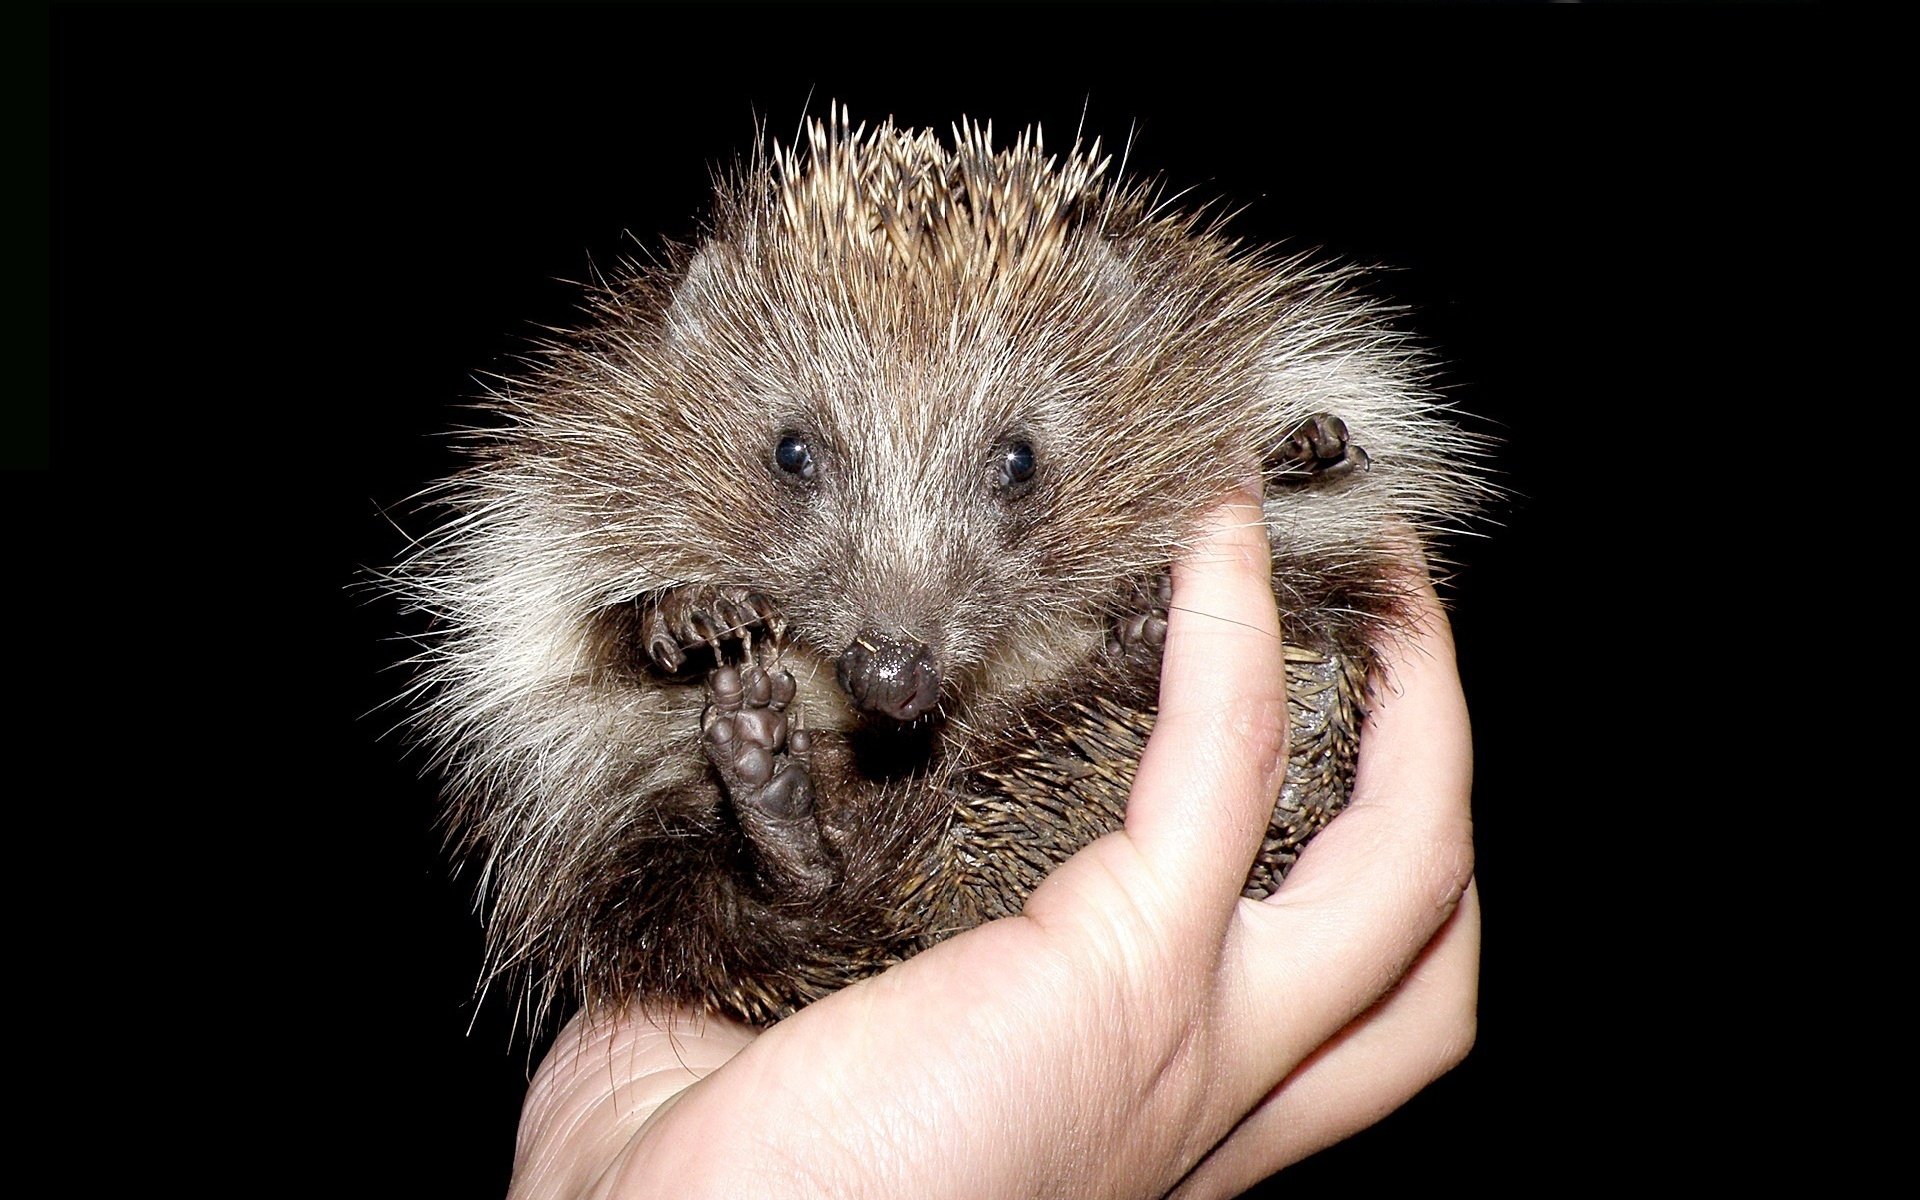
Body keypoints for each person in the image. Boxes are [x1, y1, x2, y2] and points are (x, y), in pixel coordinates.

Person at [505, 492, 1479, 1199]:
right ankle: (798, 869)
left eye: (1012, 466)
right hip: (837, 833)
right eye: (796, 459)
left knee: (1261, 667)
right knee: (666, 869)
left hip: (981, 761)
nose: (890, 646)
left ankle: (802, 865)